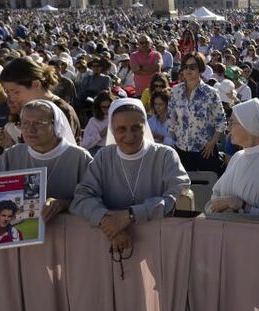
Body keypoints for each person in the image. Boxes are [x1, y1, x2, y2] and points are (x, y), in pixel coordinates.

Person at [71, 98, 191, 253]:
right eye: (121, 129)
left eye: (136, 128)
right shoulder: (104, 156)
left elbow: (177, 195)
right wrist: (107, 222)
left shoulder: (165, 155)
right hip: (112, 242)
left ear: (145, 127)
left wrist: (131, 215)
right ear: (112, 130)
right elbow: (82, 196)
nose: (129, 136)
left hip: (159, 243)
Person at [0, 99, 93, 233]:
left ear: (55, 125)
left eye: (38, 124)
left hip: (68, 237)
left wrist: (64, 203)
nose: (30, 130)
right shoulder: (12, 155)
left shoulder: (79, 158)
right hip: (18, 240)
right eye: (25, 123)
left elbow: (96, 199)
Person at [205, 99, 259, 215]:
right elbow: (215, 197)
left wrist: (241, 205)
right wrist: (222, 207)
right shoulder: (237, 157)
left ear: (249, 125)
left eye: (232, 123)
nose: (228, 129)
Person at [168, 52, 226, 173]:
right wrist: (174, 139)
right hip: (182, 150)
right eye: (185, 66)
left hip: (205, 151)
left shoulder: (211, 93)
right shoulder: (175, 91)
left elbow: (221, 121)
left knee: (206, 189)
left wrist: (212, 143)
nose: (188, 70)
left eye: (193, 67)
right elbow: (171, 118)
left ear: (200, 69)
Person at [0, 57, 81, 142]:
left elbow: (65, 153)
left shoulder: (61, 111)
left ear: (36, 85)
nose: (11, 98)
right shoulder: (27, 108)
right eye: (7, 92)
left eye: (16, 92)